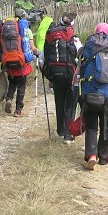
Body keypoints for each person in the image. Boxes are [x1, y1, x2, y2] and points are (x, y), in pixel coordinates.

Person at [74, 23, 108, 170]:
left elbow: (78, 73)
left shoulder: (87, 48)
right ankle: (103, 157)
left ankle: (91, 155)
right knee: (106, 126)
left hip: (88, 94)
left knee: (91, 126)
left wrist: (75, 86)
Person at [42, 13, 79, 143]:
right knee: (70, 103)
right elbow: (80, 56)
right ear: (72, 24)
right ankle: (68, 135)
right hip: (70, 75)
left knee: (59, 101)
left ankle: (60, 130)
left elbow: (42, 58)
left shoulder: (51, 35)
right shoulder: (73, 38)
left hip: (54, 75)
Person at [0, 7, 37, 117]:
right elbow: (31, 48)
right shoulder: (25, 30)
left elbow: (0, 46)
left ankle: (9, 99)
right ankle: (18, 111)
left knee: (12, 83)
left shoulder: (5, 28)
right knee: (21, 87)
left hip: (8, 63)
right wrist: (38, 53)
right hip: (21, 64)